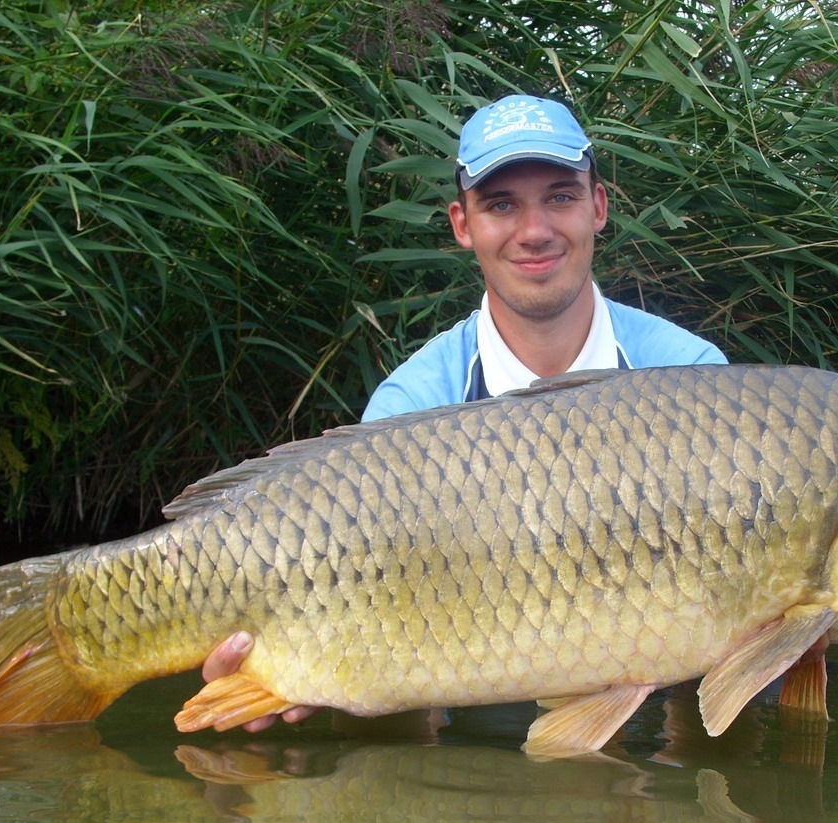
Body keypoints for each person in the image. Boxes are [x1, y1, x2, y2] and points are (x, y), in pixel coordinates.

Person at [201, 94, 727, 731]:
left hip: (656, 716)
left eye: (559, 196)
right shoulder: (413, 404)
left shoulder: (693, 380)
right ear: (462, 223)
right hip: (474, 726)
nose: (534, 231)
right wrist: (281, 668)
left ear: (598, 207)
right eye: (501, 204)